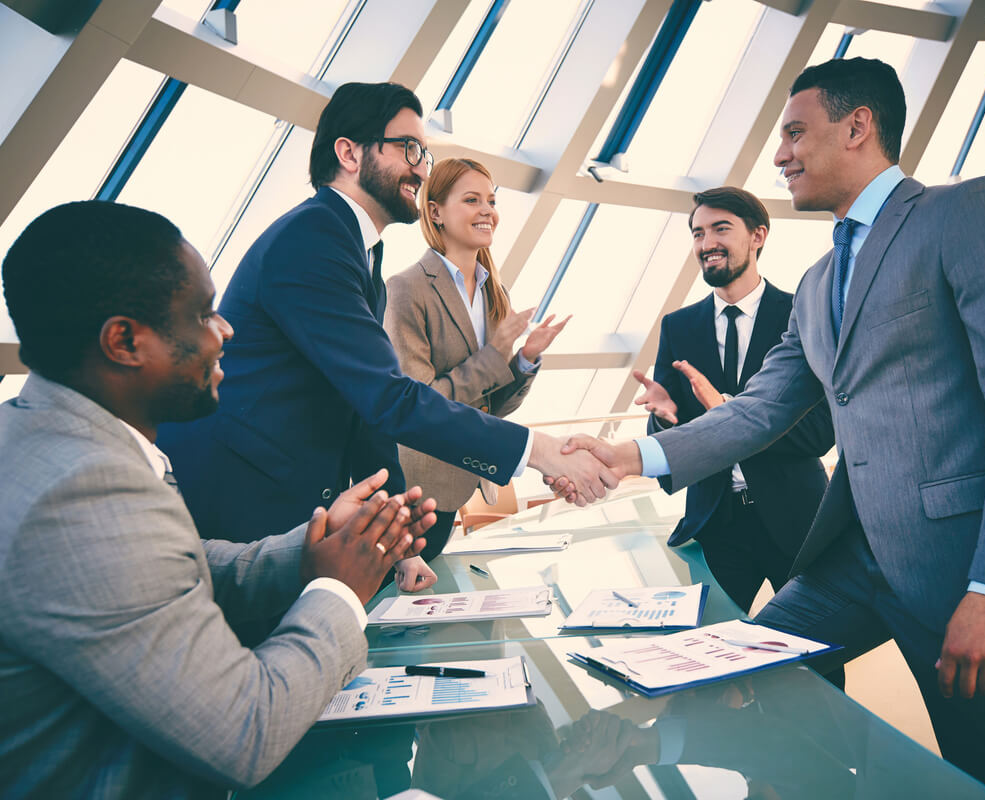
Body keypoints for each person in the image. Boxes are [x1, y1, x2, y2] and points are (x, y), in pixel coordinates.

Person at [558, 57, 985, 799]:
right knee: (731, 670)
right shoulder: (815, 286)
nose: (779, 155)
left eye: (795, 134)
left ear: (857, 126)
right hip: (854, 561)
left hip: (963, 567)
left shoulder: (966, 213)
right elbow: (758, 410)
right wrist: (625, 456)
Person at [0, 200, 436, 797]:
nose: (226, 329)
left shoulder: (49, 436)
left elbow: (164, 571)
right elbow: (244, 731)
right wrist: (339, 590)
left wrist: (309, 554)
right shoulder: (78, 490)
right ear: (124, 341)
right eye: (203, 314)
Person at [157, 82, 613, 593]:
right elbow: (389, 398)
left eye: (424, 152)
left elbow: (363, 409)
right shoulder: (315, 237)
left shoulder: (359, 251)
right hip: (239, 495)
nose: (421, 168)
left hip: (273, 493)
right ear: (349, 153)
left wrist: (398, 542)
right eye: (408, 148)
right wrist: (540, 450)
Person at [631, 186, 832, 614]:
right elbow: (678, 429)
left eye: (720, 229)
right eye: (698, 233)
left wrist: (729, 413)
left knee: (819, 657)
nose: (707, 244)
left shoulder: (802, 314)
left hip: (797, 517)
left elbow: (820, 433)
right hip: (715, 522)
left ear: (758, 235)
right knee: (705, 649)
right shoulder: (678, 327)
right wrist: (666, 421)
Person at [383, 157, 570, 558]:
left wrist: (524, 361)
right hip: (416, 494)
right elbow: (419, 405)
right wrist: (494, 355)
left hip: (465, 482)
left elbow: (490, 406)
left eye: (491, 200)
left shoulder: (492, 292)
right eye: (472, 200)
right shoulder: (406, 289)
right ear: (435, 212)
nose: (487, 211)